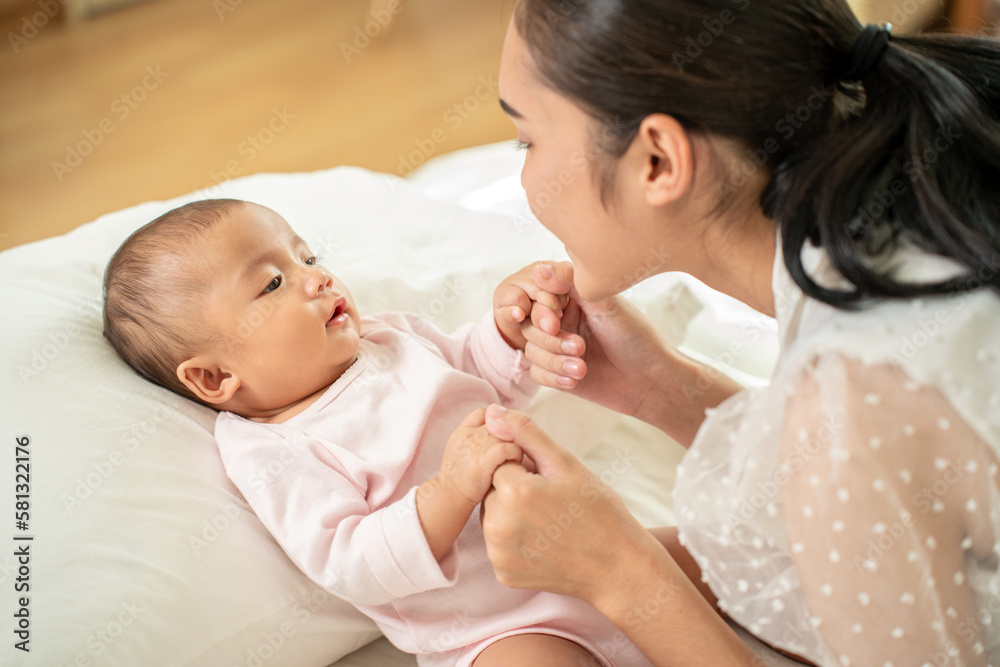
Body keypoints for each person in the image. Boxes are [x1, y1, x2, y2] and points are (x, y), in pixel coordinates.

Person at [480, 1, 1000, 665]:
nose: (524, 176)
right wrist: (662, 388)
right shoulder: (910, 201)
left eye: (528, 140)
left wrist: (621, 572)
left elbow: (861, 450)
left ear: (659, 161)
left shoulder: (867, 382)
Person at [101, 198, 652, 667]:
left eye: (308, 257)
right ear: (215, 376)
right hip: (501, 625)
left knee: (707, 555)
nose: (316, 277)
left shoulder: (387, 337)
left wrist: (510, 334)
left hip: (593, 552)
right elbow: (348, 561)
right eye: (273, 283)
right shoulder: (273, 449)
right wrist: (450, 491)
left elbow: (473, 369)